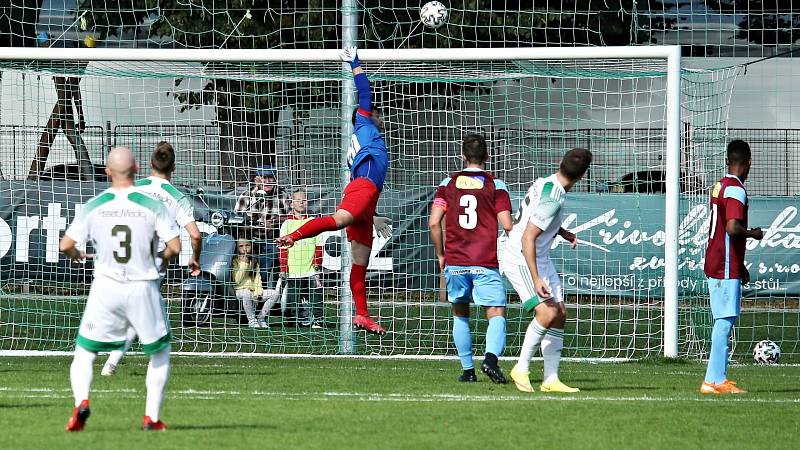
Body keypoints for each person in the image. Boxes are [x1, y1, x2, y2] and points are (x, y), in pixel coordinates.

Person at [60, 146, 178, 432]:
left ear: (107, 172)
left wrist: (76, 255)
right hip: (142, 286)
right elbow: (175, 247)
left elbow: (66, 245)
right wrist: (159, 258)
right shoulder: (152, 204)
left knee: (85, 352)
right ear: (137, 170)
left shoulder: (95, 204)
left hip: (106, 287)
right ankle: (151, 416)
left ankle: (82, 403)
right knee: (159, 353)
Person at [276, 46, 392, 335]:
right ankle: (295, 234)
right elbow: (365, 93)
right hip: (362, 190)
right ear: (364, 116)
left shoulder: (367, 137)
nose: (379, 116)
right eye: (375, 113)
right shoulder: (363, 122)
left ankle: (362, 315)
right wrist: (355, 62)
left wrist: (372, 214)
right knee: (338, 220)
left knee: (360, 263)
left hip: (367, 197)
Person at [101, 141, 202, 377]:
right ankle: (150, 368)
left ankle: (112, 363)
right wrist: (195, 258)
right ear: (173, 167)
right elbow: (195, 235)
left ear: (149, 163)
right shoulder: (177, 197)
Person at [501, 147, 592, 393]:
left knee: (560, 313)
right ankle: (520, 368)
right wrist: (536, 277)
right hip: (520, 258)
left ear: (560, 163)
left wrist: (562, 232)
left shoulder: (547, 183)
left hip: (538, 256)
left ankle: (551, 379)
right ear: (583, 176)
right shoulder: (554, 197)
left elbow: (536, 217)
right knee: (547, 314)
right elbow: (528, 238)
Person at [429, 134, 513, 383]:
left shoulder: (448, 183)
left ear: (463, 157)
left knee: (460, 313)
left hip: (455, 261)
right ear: (487, 157)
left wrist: (440, 254)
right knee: (496, 311)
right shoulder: (496, 185)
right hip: (484, 261)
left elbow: (434, 222)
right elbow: (507, 225)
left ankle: (468, 371)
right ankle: (490, 359)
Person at [700, 140, 763, 394]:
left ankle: (714, 379)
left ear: (727, 161)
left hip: (720, 261)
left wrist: (741, 265)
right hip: (724, 265)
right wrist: (754, 233)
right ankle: (715, 380)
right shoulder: (736, 189)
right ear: (748, 163)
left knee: (722, 319)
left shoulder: (719, 185)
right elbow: (732, 227)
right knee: (724, 321)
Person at [28, 34, 94, 181]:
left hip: (63, 103)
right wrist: (81, 115)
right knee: (71, 135)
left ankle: (90, 178)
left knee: (71, 135)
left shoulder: (66, 58)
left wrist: (81, 115)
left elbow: (73, 91)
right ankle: (90, 178)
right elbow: (73, 91)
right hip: (63, 103)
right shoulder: (61, 57)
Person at [235, 165, 289, 289]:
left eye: (271, 177)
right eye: (265, 177)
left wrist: (276, 221)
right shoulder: (247, 195)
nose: (268, 181)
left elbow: (292, 217)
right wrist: (257, 227)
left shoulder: (282, 195)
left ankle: (267, 293)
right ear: (256, 180)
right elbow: (237, 222)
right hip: (251, 241)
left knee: (268, 266)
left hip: (274, 241)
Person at [279, 189, 324, 328]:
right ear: (292, 204)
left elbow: (319, 245)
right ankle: (294, 321)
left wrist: (317, 262)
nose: (301, 202)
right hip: (293, 270)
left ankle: (318, 320)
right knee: (293, 299)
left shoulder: (313, 222)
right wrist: (283, 268)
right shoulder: (287, 224)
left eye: (303, 199)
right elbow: (282, 247)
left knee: (316, 295)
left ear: (307, 202)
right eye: (297, 200)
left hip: (311, 269)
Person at [232, 237, 267, 328]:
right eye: (241, 246)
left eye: (247, 245)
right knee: (246, 293)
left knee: (274, 294)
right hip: (240, 291)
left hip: (252, 292)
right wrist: (245, 264)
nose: (244, 248)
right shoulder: (235, 261)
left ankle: (261, 318)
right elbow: (237, 280)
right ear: (237, 248)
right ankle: (251, 320)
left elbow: (257, 279)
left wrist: (257, 293)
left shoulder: (254, 261)